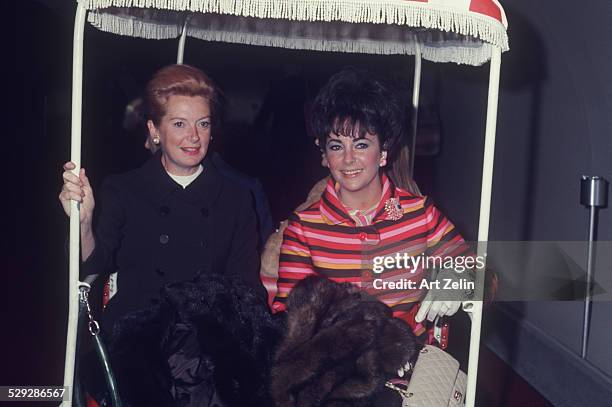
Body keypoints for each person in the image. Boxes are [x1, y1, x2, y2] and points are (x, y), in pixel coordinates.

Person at [268, 68, 473, 341]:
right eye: (336, 146)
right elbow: (287, 315)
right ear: (324, 156)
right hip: (336, 372)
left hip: (412, 372)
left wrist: (460, 281)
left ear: (384, 152)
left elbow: (481, 272)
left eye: (362, 145)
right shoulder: (304, 228)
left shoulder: (420, 214)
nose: (348, 159)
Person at [59, 64, 265, 335]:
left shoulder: (236, 198)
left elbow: (247, 289)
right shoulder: (124, 189)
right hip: (136, 336)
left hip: (206, 341)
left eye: (202, 124)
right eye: (179, 124)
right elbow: (92, 267)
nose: (193, 137)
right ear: (154, 130)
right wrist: (83, 223)